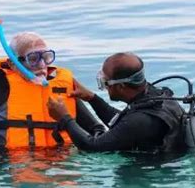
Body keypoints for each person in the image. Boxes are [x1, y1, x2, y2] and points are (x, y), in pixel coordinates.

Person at [0, 31, 105, 150]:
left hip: (61, 166)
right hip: (9, 169)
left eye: (47, 57)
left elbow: (97, 130)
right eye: (33, 58)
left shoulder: (62, 89)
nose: (42, 65)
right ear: (12, 63)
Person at [47, 52, 187, 153]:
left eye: (105, 82)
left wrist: (64, 118)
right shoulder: (157, 97)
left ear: (120, 86)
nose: (105, 87)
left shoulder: (141, 120)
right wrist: (92, 98)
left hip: (149, 178)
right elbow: (122, 122)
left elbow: (92, 146)